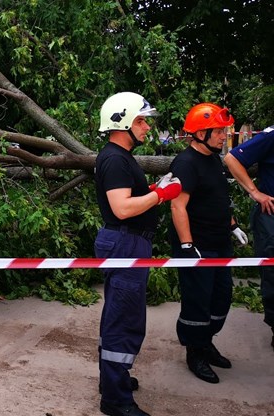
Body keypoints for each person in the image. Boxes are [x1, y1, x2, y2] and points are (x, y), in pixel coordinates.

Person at [94, 92, 181, 416]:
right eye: (142, 120)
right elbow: (122, 207)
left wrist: (154, 188)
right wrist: (159, 195)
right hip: (126, 243)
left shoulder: (120, 156)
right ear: (123, 121)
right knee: (125, 320)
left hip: (127, 243)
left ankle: (111, 379)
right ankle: (115, 400)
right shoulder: (116, 159)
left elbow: (131, 198)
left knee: (117, 314)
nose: (146, 126)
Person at [168, 103, 248, 384]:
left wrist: (233, 225)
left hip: (220, 244)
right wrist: (188, 247)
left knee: (221, 298)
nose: (224, 136)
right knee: (198, 303)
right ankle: (195, 353)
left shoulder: (214, 159)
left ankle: (206, 342)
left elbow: (219, 200)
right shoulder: (186, 163)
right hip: (198, 247)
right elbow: (178, 206)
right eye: (219, 131)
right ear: (200, 133)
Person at [223, 125, 274, 352]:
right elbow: (232, 158)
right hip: (271, 216)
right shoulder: (271, 136)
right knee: (272, 275)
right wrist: (255, 192)